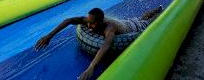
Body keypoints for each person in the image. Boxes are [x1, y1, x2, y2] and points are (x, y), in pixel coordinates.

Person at [35, 6, 163, 80]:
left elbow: (105, 45)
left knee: (144, 21)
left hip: (133, 28)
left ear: (101, 21)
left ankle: (159, 12)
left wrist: (91, 67)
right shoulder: (90, 20)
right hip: (126, 22)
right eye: (88, 22)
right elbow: (69, 20)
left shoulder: (109, 28)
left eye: (93, 23)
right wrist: (49, 36)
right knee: (140, 17)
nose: (89, 26)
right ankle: (156, 9)